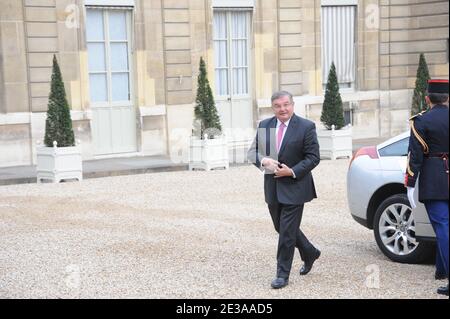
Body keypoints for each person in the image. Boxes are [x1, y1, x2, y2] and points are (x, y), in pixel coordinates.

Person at [247, 91, 321, 289]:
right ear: (273, 108)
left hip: (296, 186)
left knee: (287, 233)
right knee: (281, 227)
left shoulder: (305, 127)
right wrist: (263, 160)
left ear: (292, 105)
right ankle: (310, 251)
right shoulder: (266, 125)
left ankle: (282, 274)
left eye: (286, 104)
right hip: (272, 187)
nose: (283, 109)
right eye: (278, 106)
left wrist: (292, 171)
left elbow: (313, 157)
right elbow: (253, 152)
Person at [405, 79, 449, 297]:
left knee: (442, 227)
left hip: (434, 178)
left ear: (427, 98)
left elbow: (415, 157)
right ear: (448, 98)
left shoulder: (421, 121)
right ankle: (441, 269)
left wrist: (410, 184)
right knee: (444, 228)